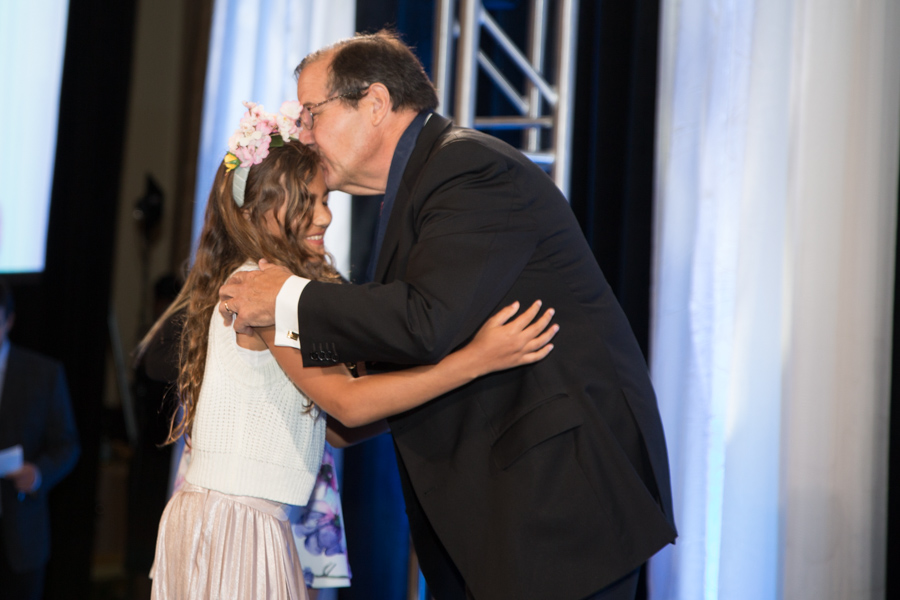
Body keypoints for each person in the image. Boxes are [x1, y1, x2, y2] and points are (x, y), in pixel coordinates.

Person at [219, 31, 678, 600]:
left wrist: (287, 297)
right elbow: (380, 379)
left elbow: (425, 321)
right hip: (513, 511)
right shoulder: (427, 180)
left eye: (313, 113)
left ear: (376, 103)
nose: (305, 133)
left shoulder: (468, 169)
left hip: (556, 506)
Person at [144, 101, 557, 600]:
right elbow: (347, 402)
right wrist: (474, 362)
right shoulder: (261, 292)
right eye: (307, 201)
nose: (325, 215)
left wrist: (436, 392)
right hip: (236, 522)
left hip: (244, 517)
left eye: (325, 199)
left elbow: (336, 430)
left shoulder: (268, 287)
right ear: (255, 213)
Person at [0, 277, 80, 600]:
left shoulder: (42, 374)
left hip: (21, 534)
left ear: (9, 320)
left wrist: (38, 474)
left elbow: (67, 444)